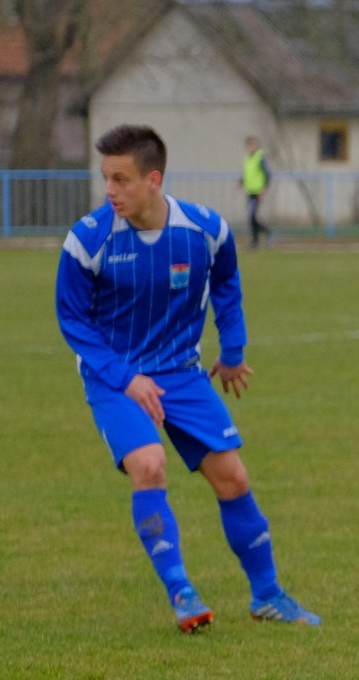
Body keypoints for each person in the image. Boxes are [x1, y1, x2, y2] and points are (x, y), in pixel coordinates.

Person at [56, 124, 320, 632]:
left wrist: (233, 349)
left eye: (120, 179)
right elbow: (73, 319)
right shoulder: (88, 239)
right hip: (115, 376)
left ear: (153, 179)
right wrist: (125, 378)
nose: (109, 190)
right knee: (149, 464)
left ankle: (267, 595)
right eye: (106, 178)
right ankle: (182, 592)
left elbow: (226, 282)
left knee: (233, 477)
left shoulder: (205, 230)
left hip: (180, 371)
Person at [240, 136, 273, 248]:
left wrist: (263, 190)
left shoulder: (260, 158)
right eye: (249, 145)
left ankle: (257, 240)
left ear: (257, 145)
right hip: (250, 192)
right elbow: (248, 174)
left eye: (253, 145)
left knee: (252, 217)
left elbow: (267, 174)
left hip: (258, 192)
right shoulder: (247, 159)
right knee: (252, 218)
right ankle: (263, 236)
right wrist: (241, 182)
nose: (251, 147)